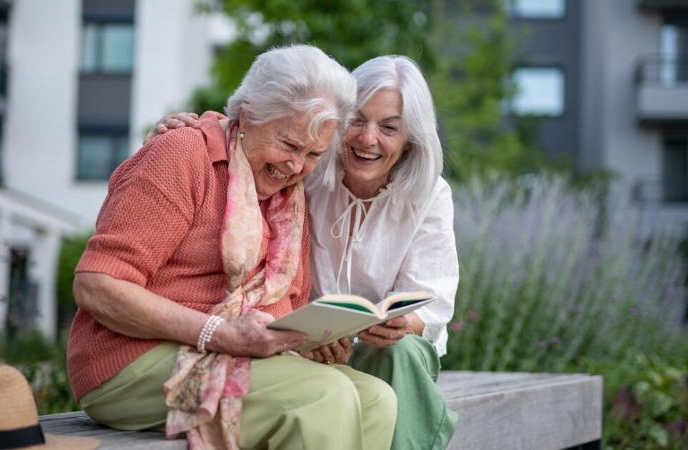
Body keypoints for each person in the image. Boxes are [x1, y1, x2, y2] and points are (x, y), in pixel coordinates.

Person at [68, 45, 397, 450]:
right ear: (248, 114)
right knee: (323, 396)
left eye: (314, 154)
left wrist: (313, 339)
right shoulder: (183, 154)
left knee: (377, 400)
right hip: (131, 363)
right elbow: (96, 285)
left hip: (237, 357)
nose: (296, 167)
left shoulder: (289, 199)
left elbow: (282, 307)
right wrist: (219, 332)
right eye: (290, 145)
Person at [154, 54, 459, 450]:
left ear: (410, 140)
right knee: (336, 395)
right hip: (301, 342)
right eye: (356, 121)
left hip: (386, 350)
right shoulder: (305, 170)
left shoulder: (430, 195)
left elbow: (433, 299)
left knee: (398, 354)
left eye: (388, 128)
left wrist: (406, 323)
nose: (368, 139)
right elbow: (251, 134)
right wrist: (197, 126)